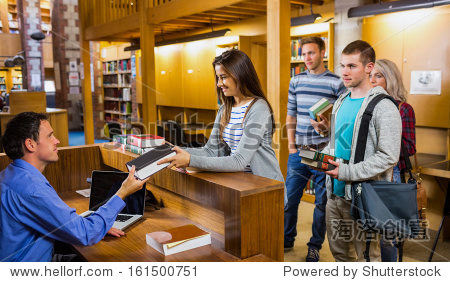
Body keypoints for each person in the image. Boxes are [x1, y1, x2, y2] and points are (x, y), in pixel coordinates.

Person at [0, 112, 146, 261]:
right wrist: (122, 192)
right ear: (30, 144)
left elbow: (55, 220)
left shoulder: (10, 175)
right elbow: (85, 234)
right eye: (50, 136)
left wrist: (99, 225)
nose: (57, 140)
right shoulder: (32, 188)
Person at [322, 40, 402, 262]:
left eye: (351, 66)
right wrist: (323, 157)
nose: (344, 72)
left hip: (362, 198)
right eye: (342, 66)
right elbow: (337, 142)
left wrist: (346, 172)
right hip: (333, 195)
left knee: (368, 258)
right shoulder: (340, 101)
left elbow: (388, 156)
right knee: (340, 255)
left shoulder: (384, 106)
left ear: (369, 67)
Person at [158, 49, 284, 184]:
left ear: (240, 75)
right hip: (240, 183)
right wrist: (173, 150)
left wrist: (190, 160)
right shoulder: (225, 109)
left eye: (223, 77)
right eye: (218, 78)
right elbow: (211, 151)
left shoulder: (258, 108)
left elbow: (239, 161)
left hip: (264, 185)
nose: (219, 84)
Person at [284, 36, 345, 261]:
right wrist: (291, 147)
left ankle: (314, 246)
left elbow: (340, 119)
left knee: (322, 203)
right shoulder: (296, 81)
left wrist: (327, 127)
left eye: (311, 53)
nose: (307, 58)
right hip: (299, 151)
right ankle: (286, 238)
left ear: (322, 52)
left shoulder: (336, 82)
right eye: (304, 53)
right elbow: (290, 114)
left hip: (322, 151)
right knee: (289, 199)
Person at [370, 59, 416, 262]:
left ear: (390, 79)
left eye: (378, 76)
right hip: (366, 172)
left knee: (387, 236)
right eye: (370, 75)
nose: (372, 80)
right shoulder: (366, 106)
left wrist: (386, 136)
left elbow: (410, 147)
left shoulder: (403, 109)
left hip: (390, 175)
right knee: (366, 231)